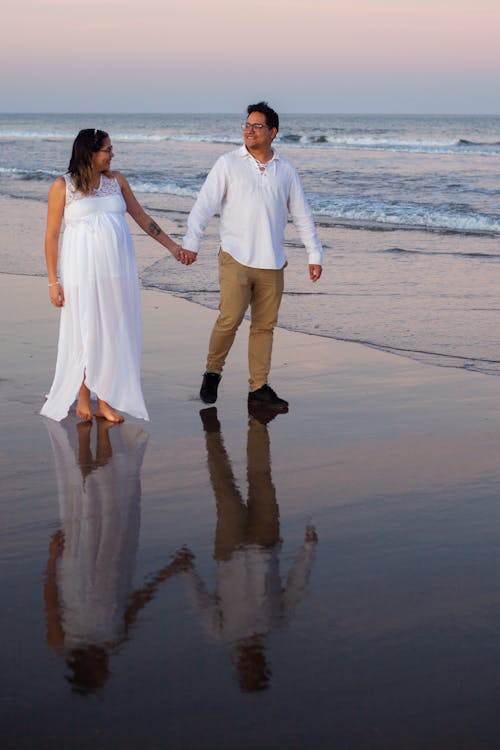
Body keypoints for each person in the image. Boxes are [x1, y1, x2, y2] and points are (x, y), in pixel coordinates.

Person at [180, 101, 323, 410]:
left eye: (257, 126)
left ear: (273, 132)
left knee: (264, 327)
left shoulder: (285, 170)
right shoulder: (228, 163)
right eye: (246, 125)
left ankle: (258, 387)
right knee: (229, 319)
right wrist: (191, 241)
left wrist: (315, 253)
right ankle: (212, 371)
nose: (249, 130)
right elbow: (204, 205)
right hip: (235, 257)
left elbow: (302, 215)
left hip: (272, 262)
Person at [41, 128, 182, 423]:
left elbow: (142, 218)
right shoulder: (62, 186)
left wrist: (173, 247)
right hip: (81, 272)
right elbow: (52, 236)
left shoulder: (116, 182)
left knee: (111, 333)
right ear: (90, 153)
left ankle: (104, 400)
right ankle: (82, 397)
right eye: (107, 149)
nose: (112, 154)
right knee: (85, 332)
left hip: (117, 271)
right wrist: (54, 281)